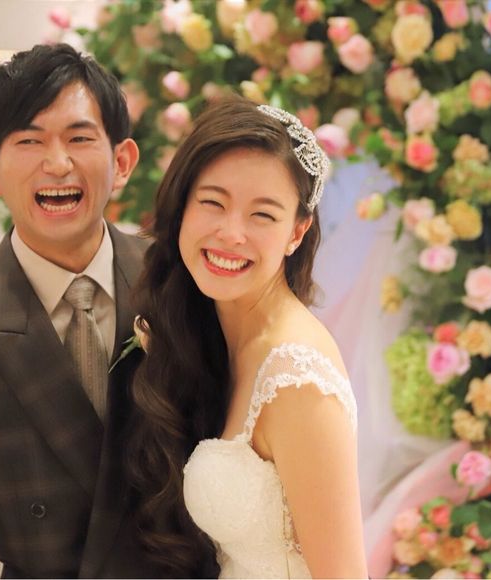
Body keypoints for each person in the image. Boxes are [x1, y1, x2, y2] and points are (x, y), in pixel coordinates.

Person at [0, 43, 216, 578]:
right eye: (29, 141)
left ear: (122, 162)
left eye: (80, 138)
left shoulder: (181, 281)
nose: (58, 163)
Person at [123, 96, 369, 578]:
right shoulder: (219, 334)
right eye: (213, 203)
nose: (231, 233)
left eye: (263, 215)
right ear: (182, 207)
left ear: (296, 232)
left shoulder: (295, 378)